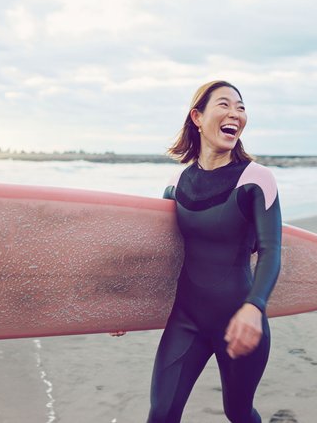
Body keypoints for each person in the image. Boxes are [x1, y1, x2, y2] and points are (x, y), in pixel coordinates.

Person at [112, 80, 282, 422]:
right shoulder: (176, 186)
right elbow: (161, 259)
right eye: (224, 105)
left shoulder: (256, 179)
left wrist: (253, 308)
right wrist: (125, 307)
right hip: (185, 320)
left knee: (238, 412)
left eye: (241, 107)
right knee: (161, 413)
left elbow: (271, 250)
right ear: (197, 117)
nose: (235, 113)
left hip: (239, 319)